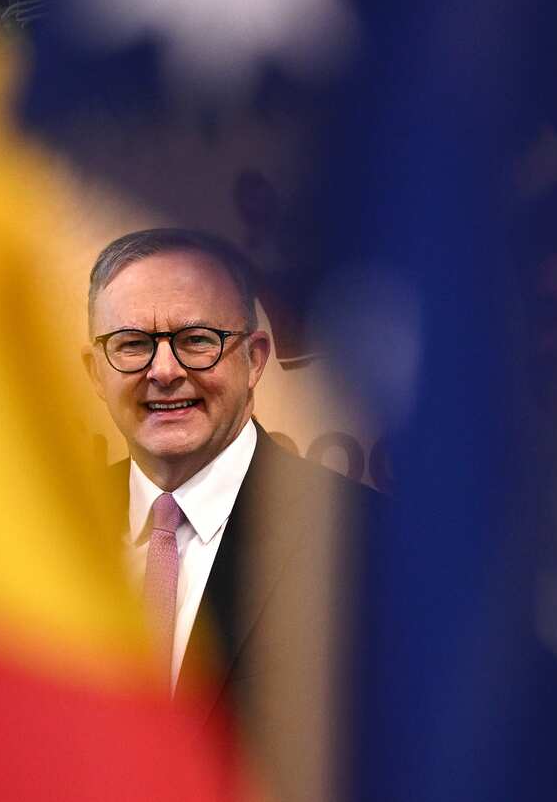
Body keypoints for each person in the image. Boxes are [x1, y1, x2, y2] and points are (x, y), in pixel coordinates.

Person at [82, 228, 380, 802]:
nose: (163, 370)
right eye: (132, 344)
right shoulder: (48, 529)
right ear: (96, 372)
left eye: (197, 340)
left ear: (255, 358)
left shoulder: (360, 541)